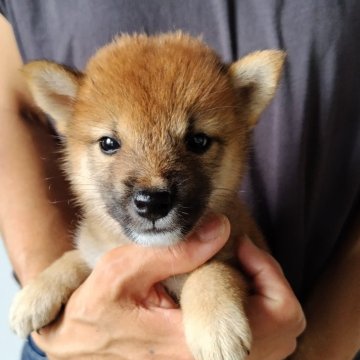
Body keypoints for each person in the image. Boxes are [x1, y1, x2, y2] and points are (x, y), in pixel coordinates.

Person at [0, 1, 359, 359]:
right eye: (110, 144)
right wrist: (56, 294)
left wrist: (315, 350)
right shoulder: (93, 237)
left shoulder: (226, 227)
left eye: (197, 142)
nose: (153, 182)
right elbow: (9, 105)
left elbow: (226, 266)